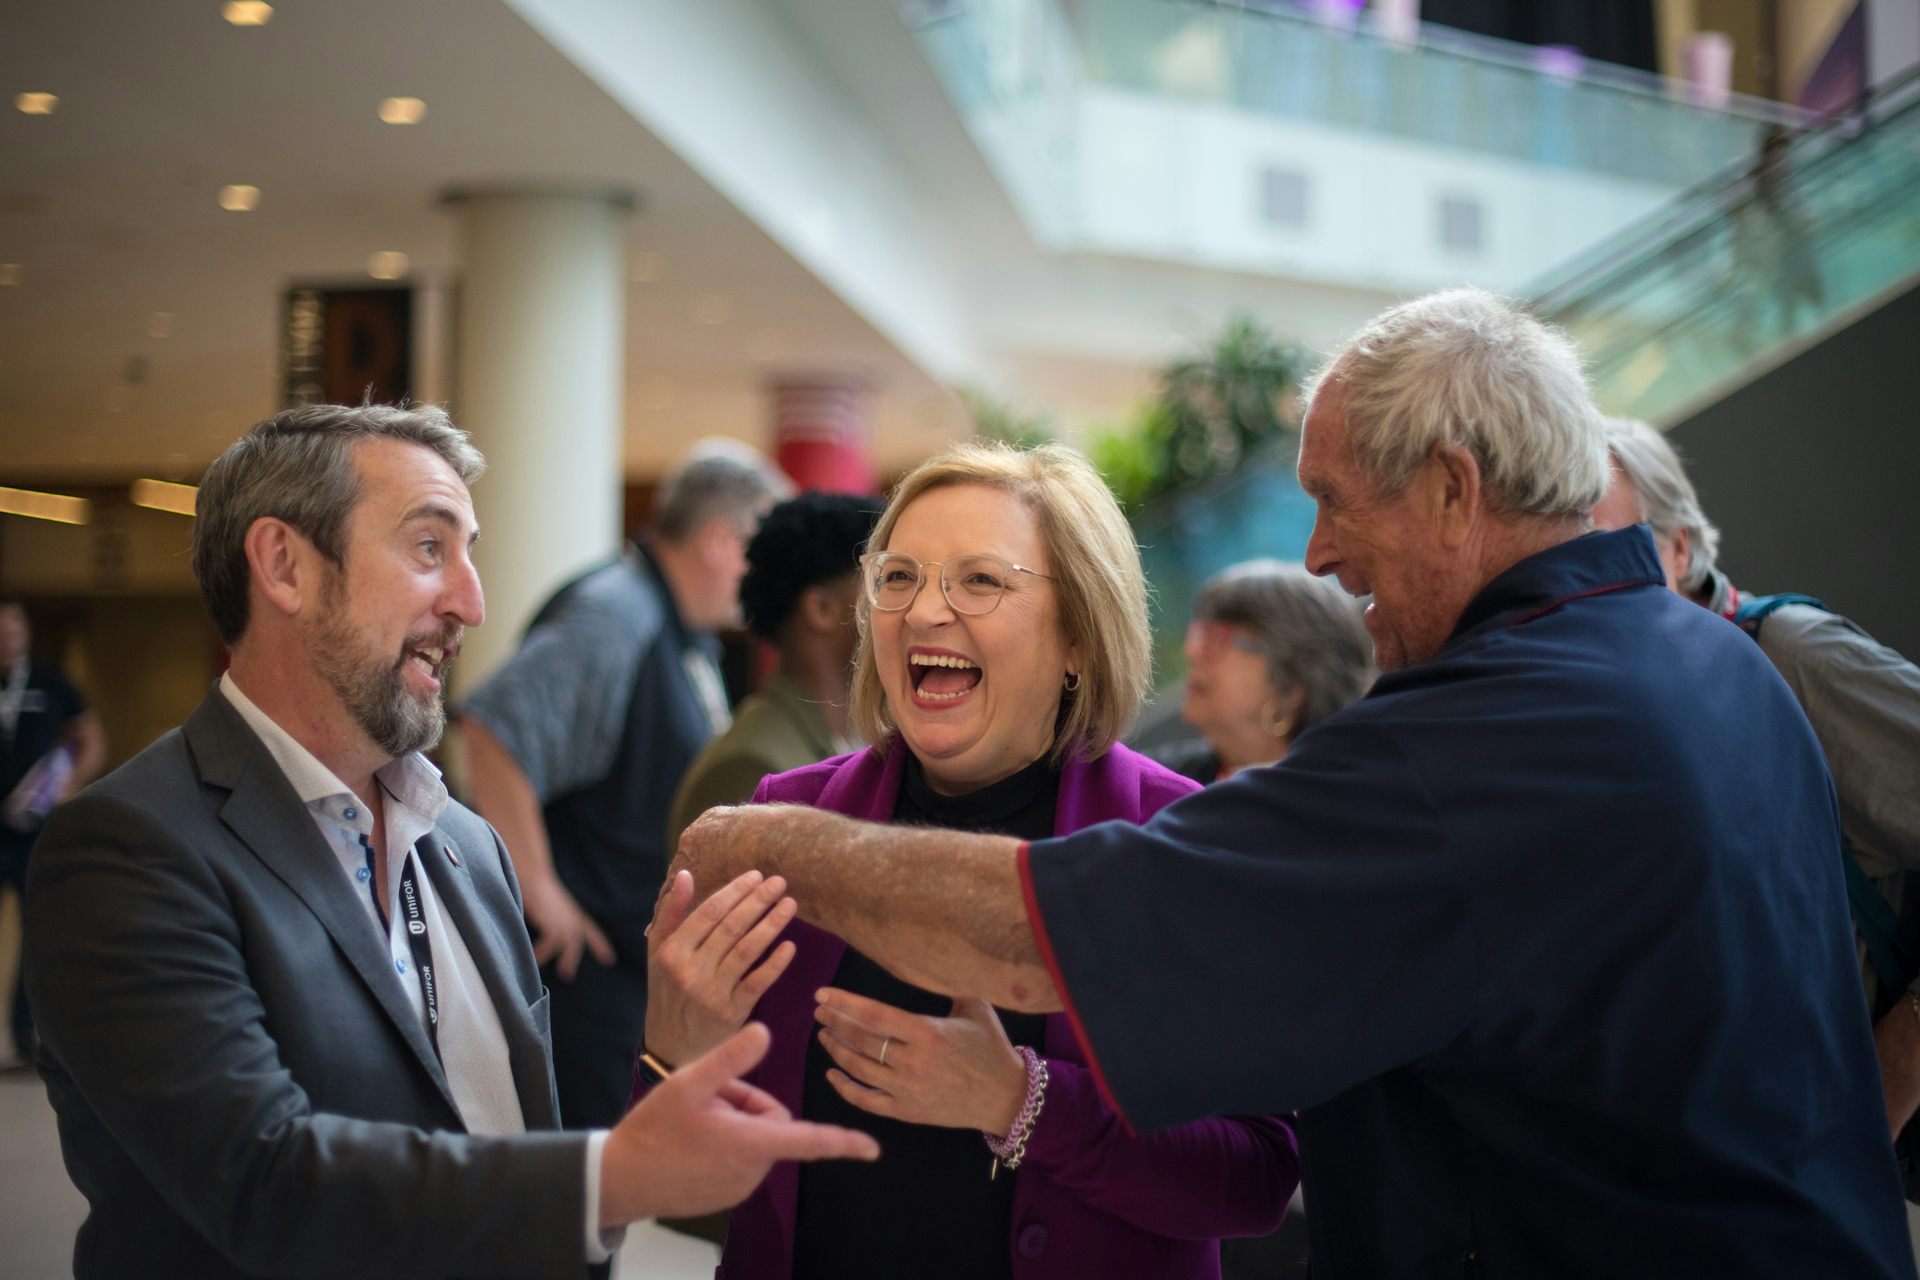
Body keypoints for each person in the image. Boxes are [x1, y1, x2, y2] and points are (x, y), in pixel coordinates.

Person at [669, 290, 1917, 1277]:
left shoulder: (1476, 742)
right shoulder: (1712, 660)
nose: (1317, 552)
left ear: (1449, 487)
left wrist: (768, 845)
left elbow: (1056, 948)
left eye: (1332, 499)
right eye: (899, 575)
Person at [24, 404, 876, 1280]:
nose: (471, 601)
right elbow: (264, 1182)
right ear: (283, 565)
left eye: (469, 553)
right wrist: (608, 1178)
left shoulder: (464, 843)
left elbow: (504, 1139)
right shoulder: (127, 849)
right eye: (429, 548)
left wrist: (666, 1047)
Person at [643, 441, 1297, 1279]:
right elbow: (680, 1185)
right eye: (899, 577)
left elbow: (1255, 1179)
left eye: (980, 580)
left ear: (1077, 635)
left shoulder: (1184, 839)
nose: (922, 612)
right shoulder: (782, 820)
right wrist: (672, 1046)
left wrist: (1019, 1102)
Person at [1593, 417, 1920, 1149]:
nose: (1586, 585)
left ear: (1680, 546)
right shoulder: (1625, 711)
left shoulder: (1795, 657)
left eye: (1611, 551)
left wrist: (1894, 1073)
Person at [461, 438, 790, 1128]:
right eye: (771, 547)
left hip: (629, 984)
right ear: (722, 541)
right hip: (584, 987)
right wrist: (540, 888)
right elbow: (493, 730)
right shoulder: (617, 610)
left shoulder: (685, 629)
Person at [666, 491, 885, 848]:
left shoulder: (851, 735)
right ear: (822, 608)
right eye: (882, 581)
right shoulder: (751, 765)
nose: (902, 605)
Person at [0, 601, 105, 1067]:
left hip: (33, 831)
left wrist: (69, 783)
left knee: (35, 931)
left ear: (25, 634)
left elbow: (90, 737)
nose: (7, 639)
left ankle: (26, 1036)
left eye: (13, 631)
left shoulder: (49, 682)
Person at [1156, 560, 1371, 784]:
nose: (1192, 652)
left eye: (1217, 640)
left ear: (1291, 683)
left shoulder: (1357, 790)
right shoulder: (1157, 785)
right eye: (1199, 635)